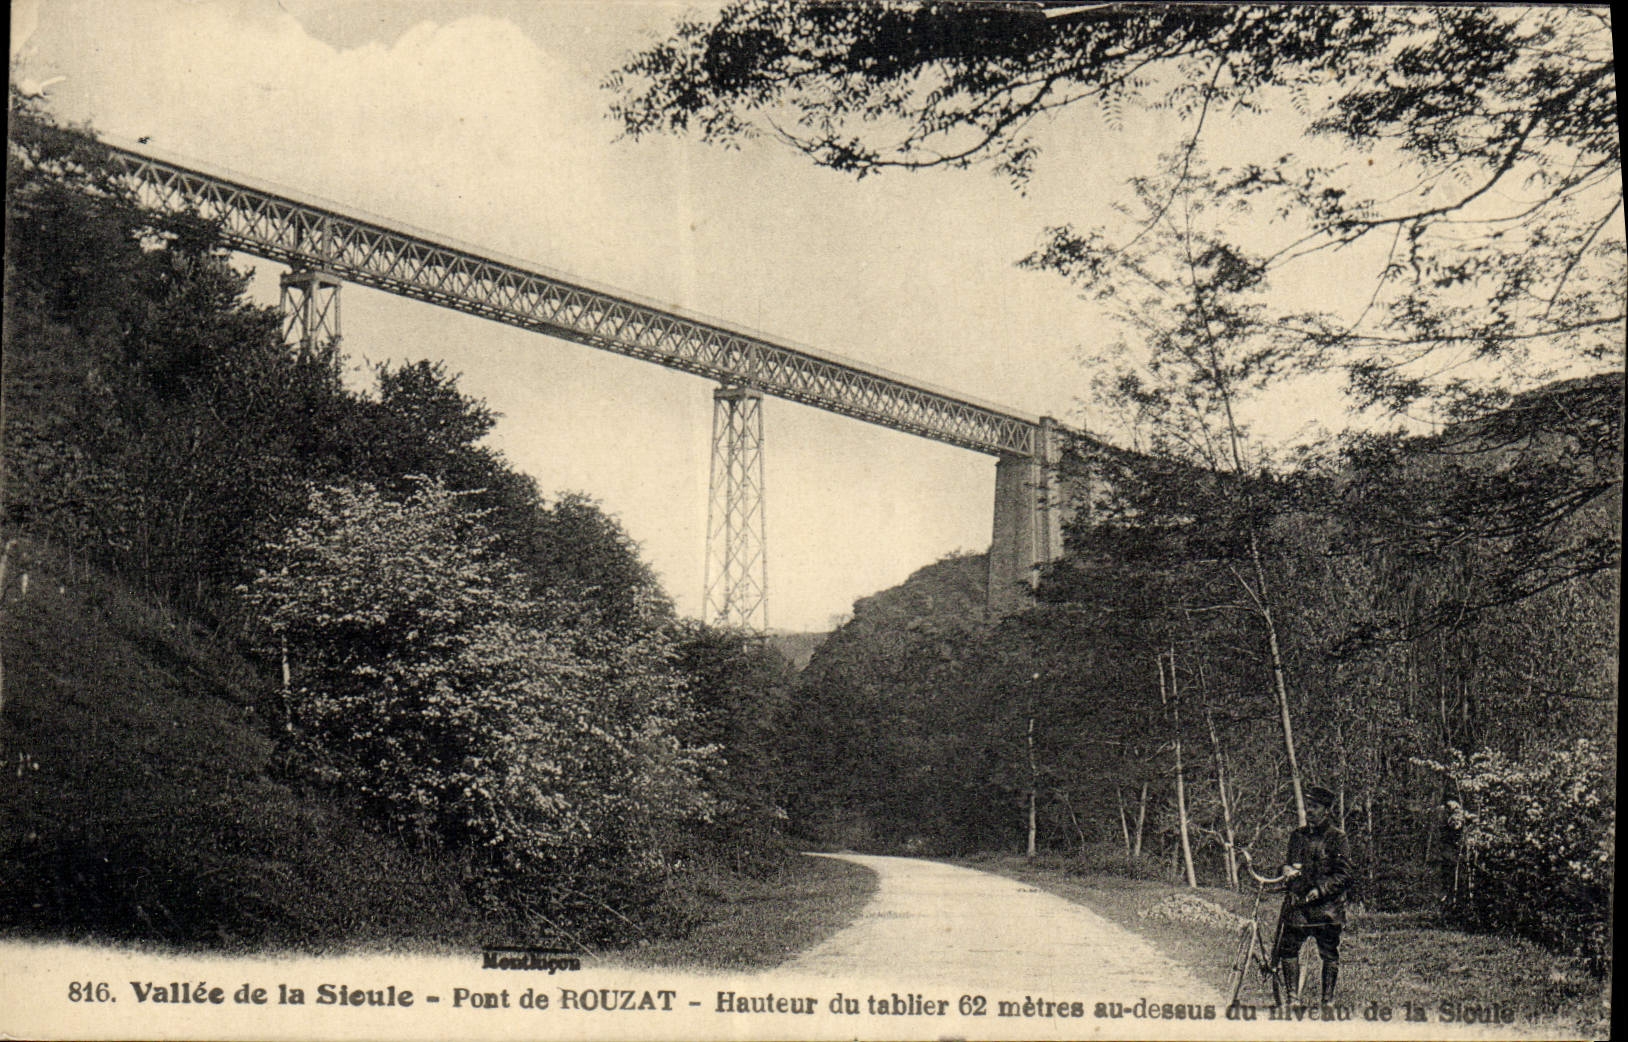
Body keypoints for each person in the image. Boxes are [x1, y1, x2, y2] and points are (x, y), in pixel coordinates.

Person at [1274, 784, 1352, 1007]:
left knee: (1329, 954)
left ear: (1326, 811)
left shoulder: (1338, 838)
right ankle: (1293, 999)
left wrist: (1320, 890)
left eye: (1315, 807)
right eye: (1308, 806)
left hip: (1327, 908)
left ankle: (1327, 1002)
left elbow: (1345, 875)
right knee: (1287, 949)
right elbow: (1290, 864)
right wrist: (1285, 870)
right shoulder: (1297, 836)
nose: (1310, 811)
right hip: (1299, 906)